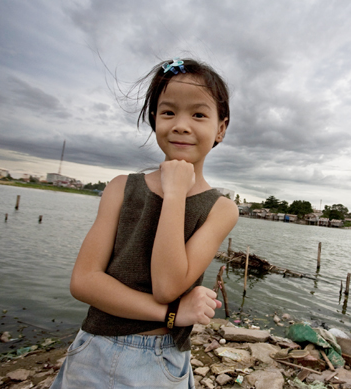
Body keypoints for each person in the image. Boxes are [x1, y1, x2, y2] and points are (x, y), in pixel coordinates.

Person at [51, 58, 239, 388]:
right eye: (168, 112)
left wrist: (176, 192)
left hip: (158, 362)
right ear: (154, 119)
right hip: (92, 348)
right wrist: (171, 313)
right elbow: (84, 281)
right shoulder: (121, 187)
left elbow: (167, 285)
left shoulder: (221, 209)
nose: (181, 125)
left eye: (198, 114)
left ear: (220, 128)